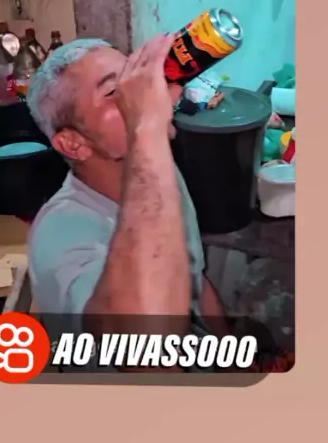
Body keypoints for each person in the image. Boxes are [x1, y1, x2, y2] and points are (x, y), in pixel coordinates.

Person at [26, 34, 229, 335]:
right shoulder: (59, 233)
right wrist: (146, 127)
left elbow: (196, 281)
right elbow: (141, 342)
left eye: (132, 80)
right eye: (113, 91)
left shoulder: (160, 174)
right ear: (73, 144)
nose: (142, 94)